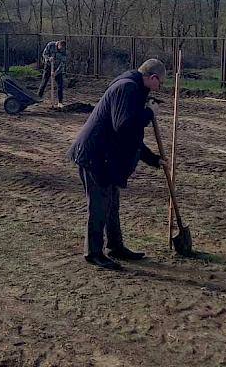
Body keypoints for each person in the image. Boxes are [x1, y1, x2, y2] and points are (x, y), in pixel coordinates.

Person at [67, 59, 167, 271]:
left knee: (112, 204)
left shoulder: (134, 89)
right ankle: (93, 253)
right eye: (160, 83)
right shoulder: (127, 88)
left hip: (105, 156)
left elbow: (129, 137)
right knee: (99, 206)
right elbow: (124, 126)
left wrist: (152, 159)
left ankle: (115, 246)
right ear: (153, 78)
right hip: (94, 155)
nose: (160, 88)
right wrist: (149, 113)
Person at [37, 40, 68, 108]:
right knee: (44, 82)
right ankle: (37, 98)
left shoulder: (64, 52)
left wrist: (56, 72)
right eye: (60, 48)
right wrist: (49, 58)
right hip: (48, 66)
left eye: (63, 49)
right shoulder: (50, 45)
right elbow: (44, 54)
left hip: (57, 69)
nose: (61, 50)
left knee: (60, 84)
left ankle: (60, 102)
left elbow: (62, 64)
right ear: (58, 45)